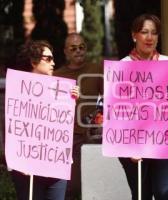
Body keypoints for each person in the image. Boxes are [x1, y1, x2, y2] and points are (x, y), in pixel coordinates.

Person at [118, 14, 168, 200]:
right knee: (141, 195)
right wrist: (130, 148)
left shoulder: (167, 62)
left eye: (154, 33)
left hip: (164, 140)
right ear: (134, 35)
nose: (149, 37)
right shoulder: (123, 66)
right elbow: (116, 111)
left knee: (165, 193)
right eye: (144, 32)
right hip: (133, 145)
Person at [10, 40, 79, 200]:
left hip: (56, 167)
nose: (53, 63)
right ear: (33, 61)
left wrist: (71, 102)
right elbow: (12, 128)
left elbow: (63, 127)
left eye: (53, 59)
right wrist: (18, 161)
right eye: (48, 59)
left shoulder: (61, 90)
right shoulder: (17, 90)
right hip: (26, 169)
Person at [54, 33, 103, 200]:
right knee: (71, 188)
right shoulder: (57, 75)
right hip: (67, 137)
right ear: (66, 52)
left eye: (82, 47)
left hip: (92, 136)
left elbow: (108, 99)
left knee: (94, 186)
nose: (78, 51)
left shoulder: (97, 69)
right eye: (73, 48)